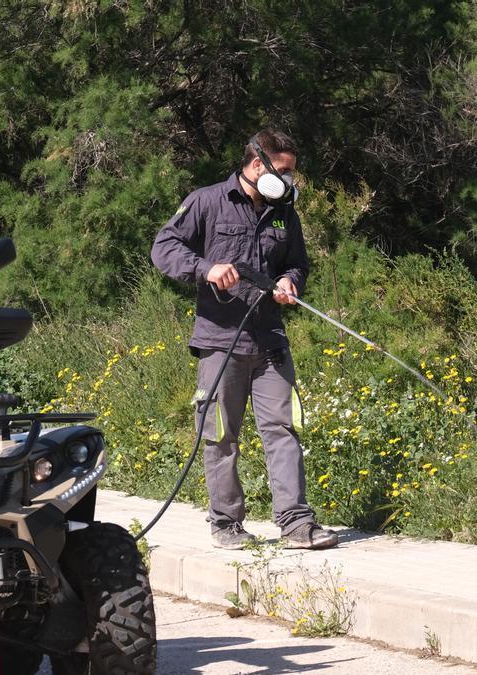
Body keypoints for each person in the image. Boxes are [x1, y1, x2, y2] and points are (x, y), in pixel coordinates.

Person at [150, 129, 338, 550]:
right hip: (221, 341)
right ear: (258, 165)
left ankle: (296, 524)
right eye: (284, 171)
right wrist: (205, 269)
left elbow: (298, 263)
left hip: (270, 339)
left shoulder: (283, 212)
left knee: (283, 429)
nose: (290, 181)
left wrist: (291, 281)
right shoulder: (207, 201)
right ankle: (226, 524)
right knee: (219, 435)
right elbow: (164, 247)